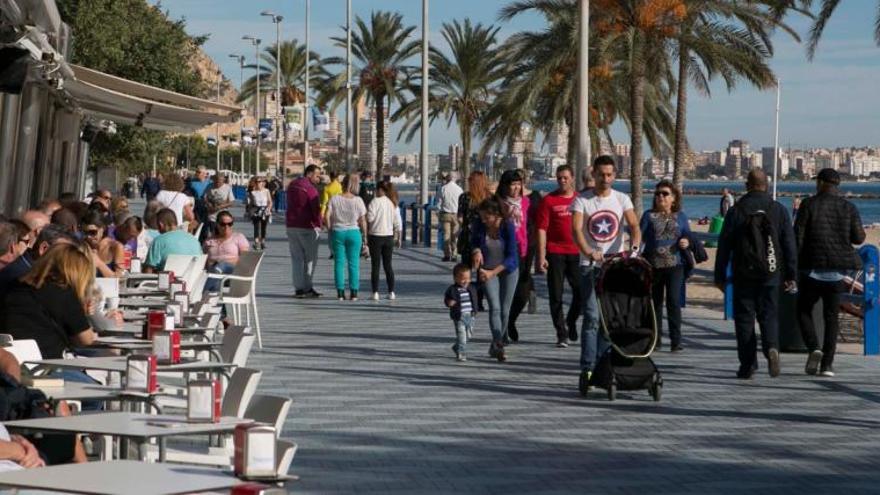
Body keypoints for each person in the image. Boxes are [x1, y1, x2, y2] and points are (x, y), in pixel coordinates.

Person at [714, 169, 796, 379]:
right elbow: (789, 245)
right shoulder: (778, 210)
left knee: (744, 319)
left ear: (746, 185)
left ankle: (748, 365)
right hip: (771, 272)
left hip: (744, 273)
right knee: (769, 314)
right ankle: (771, 348)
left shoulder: (736, 211)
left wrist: (720, 275)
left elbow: (724, 245)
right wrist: (791, 274)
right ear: (767, 185)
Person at [570, 155, 641, 391]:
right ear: (595, 175)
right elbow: (577, 230)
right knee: (591, 317)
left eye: (610, 174)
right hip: (589, 266)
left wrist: (633, 247)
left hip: (614, 266)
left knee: (608, 320)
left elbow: (634, 225)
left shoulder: (621, 199)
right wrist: (589, 252)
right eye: (602, 174)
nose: (606, 179)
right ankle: (588, 367)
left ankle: (604, 365)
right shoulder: (583, 200)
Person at [794, 168, 865, 377]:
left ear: (821, 183)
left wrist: (794, 266)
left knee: (803, 311)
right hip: (836, 273)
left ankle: (813, 347)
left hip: (811, 270)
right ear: (837, 185)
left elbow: (797, 237)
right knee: (831, 317)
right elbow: (859, 238)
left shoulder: (808, 204)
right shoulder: (848, 207)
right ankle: (827, 364)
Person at [0, 244, 97, 360]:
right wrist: (87, 316)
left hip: (11, 364)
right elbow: (86, 340)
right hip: (48, 366)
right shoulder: (64, 293)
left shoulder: (13, 286)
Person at [640, 180, 693, 352]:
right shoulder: (648, 216)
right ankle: (655, 340)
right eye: (657, 194)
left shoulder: (681, 217)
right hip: (653, 266)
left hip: (675, 265)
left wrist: (686, 241)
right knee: (654, 303)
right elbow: (639, 238)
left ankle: (676, 341)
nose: (660, 197)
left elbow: (688, 236)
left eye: (665, 194)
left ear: (674, 198)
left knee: (673, 301)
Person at [536, 165, 582, 348]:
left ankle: (571, 320)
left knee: (580, 292)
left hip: (577, 253)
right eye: (559, 178)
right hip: (555, 252)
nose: (562, 181)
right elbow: (541, 229)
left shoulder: (581, 199)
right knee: (556, 294)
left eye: (565, 177)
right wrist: (541, 256)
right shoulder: (549, 201)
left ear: (572, 178)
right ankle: (561, 333)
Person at [471, 198, 519, 362]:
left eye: (487, 217)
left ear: (497, 215)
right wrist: (476, 251)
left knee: (505, 310)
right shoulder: (479, 225)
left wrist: (495, 273)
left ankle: (496, 343)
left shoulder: (508, 226)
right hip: (487, 269)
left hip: (508, 270)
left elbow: (512, 257)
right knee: (494, 307)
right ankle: (499, 343)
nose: (484, 220)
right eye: (482, 217)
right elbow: (474, 242)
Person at [496, 170, 533, 343]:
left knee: (522, 294)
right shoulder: (497, 203)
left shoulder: (526, 202)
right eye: (513, 184)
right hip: (504, 252)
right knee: (505, 295)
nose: (516, 188)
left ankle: (510, 321)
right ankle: (502, 334)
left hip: (523, 250)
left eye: (519, 184)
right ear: (505, 185)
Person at [0, 225, 77, 296]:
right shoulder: (21, 278)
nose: (68, 260)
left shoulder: (28, 273)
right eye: (64, 253)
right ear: (44, 248)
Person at [325, 173, 368, 301]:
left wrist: (330, 229)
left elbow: (327, 215)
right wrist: (365, 236)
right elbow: (363, 220)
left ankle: (340, 293)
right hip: (354, 233)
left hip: (338, 232)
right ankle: (354, 293)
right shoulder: (358, 200)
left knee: (339, 263)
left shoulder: (334, 199)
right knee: (353, 263)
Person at [286, 165, 323, 298]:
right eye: (317, 175)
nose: (319, 178)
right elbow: (315, 209)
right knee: (310, 259)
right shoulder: (310, 189)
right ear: (309, 174)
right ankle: (307, 287)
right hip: (307, 227)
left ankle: (298, 289)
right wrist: (319, 224)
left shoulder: (292, 185)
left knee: (296, 258)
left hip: (291, 225)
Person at [366, 181, 402, 301]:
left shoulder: (374, 202)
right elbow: (397, 222)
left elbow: (370, 218)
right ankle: (391, 292)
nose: (376, 191)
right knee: (388, 266)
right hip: (389, 237)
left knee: (375, 266)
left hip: (375, 236)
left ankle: (375, 292)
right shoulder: (392, 203)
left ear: (380, 190)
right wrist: (398, 237)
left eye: (377, 189)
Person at [203, 210, 250, 292]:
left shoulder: (238, 237)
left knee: (222, 266)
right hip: (213, 272)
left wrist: (222, 262)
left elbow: (245, 258)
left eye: (230, 224)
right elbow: (203, 258)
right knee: (217, 277)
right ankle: (217, 304)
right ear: (217, 224)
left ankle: (202, 292)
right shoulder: (209, 240)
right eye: (223, 224)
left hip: (232, 272)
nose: (226, 227)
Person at [456, 171, 492, 268]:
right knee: (484, 268)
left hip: (468, 236)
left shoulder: (464, 197)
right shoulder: (490, 197)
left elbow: (460, 218)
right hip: (486, 236)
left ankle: (464, 283)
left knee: (466, 268)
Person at [444, 263, 478, 362]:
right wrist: (449, 302)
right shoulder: (452, 289)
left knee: (469, 335)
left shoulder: (471, 288)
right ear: (455, 278)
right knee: (462, 336)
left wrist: (475, 310)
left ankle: (456, 346)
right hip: (459, 317)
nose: (465, 281)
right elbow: (447, 299)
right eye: (463, 278)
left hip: (470, 316)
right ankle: (461, 353)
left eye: (468, 278)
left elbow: (477, 292)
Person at [81, 211, 124, 278]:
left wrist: (99, 264)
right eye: (85, 232)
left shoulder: (116, 247)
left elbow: (120, 280)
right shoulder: (82, 246)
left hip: (109, 288)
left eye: (92, 232)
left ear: (102, 229)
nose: (88, 236)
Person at [438, 173, 463, 262]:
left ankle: (447, 255)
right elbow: (461, 203)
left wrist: (439, 212)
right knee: (454, 235)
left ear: (448, 178)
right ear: (455, 179)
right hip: (456, 214)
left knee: (446, 235)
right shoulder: (459, 189)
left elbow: (439, 203)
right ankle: (455, 254)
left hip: (445, 214)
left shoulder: (443, 188)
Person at [247, 177, 273, 251]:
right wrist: (249, 212)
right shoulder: (252, 192)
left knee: (264, 227)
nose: (259, 183)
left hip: (265, 210)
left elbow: (270, 201)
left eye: (260, 182)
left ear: (263, 183)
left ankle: (263, 241)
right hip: (256, 210)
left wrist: (268, 208)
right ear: (255, 183)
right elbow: (251, 203)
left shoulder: (266, 191)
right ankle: (256, 242)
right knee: (256, 227)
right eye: (257, 182)